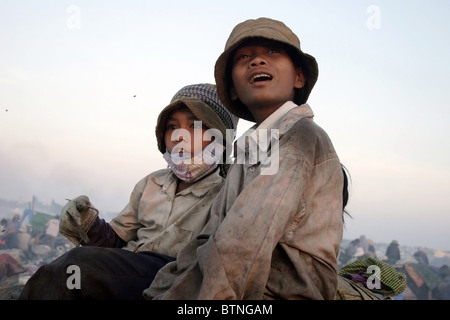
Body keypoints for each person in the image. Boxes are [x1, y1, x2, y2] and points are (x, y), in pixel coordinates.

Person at [144, 17, 347, 300]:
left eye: (272, 52)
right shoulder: (251, 145)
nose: (257, 62)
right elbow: (209, 237)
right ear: (234, 90)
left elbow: (242, 247)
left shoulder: (298, 138)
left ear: (298, 77)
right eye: (244, 57)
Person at [18, 83, 238, 300]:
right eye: (172, 127)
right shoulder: (150, 183)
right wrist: (87, 224)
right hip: (128, 271)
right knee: (62, 273)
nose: (180, 136)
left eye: (195, 127)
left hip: (177, 277)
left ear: (220, 139)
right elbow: (116, 241)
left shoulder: (228, 191)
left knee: (74, 267)